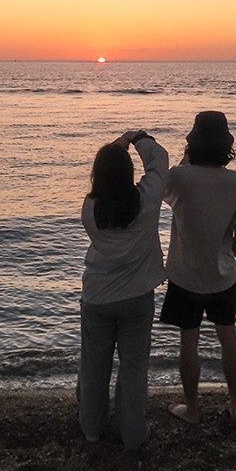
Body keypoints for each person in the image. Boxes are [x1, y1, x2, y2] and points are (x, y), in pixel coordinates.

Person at [161, 111, 236, 423]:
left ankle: (192, 408)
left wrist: (186, 159)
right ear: (227, 145)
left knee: (189, 341)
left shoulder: (179, 177)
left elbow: (162, 190)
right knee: (228, 337)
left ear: (192, 143)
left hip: (184, 275)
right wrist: (226, 253)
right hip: (223, 275)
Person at [78, 129, 169, 451]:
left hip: (97, 297)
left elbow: (111, 186)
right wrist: (134, 138)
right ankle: (132, 435)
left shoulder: (90, 209)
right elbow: (160, 161)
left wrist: (114, 150)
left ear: (97, 175)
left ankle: (92, 430)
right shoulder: (146, 200)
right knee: (133, 368)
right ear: (129, 172)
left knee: (94, 366)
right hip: (136, 297)